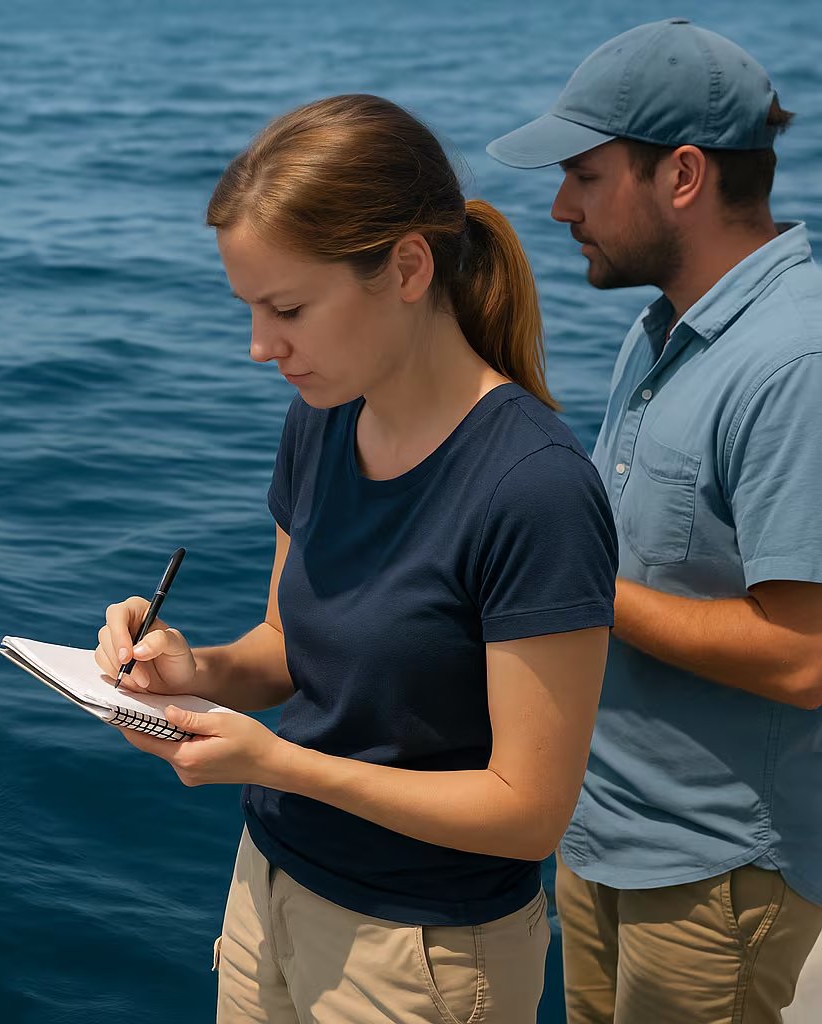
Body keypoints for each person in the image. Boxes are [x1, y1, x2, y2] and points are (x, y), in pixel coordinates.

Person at [94, 93, 617, 1023]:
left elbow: (531, 811)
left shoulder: (535, 489)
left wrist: (278, 764)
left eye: (287, 308)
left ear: (407, 266)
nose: (261, 348)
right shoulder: (321, 422)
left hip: (423, 952)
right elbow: (290, 649)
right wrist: (192, 671)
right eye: (250, 310)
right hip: (268, 889)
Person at [487, 18, 822, 1024]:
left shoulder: (792, 362)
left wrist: (570, 586)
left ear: (682, 175)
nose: (557, 208)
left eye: (585, 178)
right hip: (605, 842)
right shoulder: (661, 327)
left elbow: (806, 655)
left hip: (717, 882)